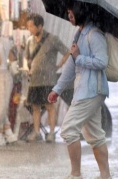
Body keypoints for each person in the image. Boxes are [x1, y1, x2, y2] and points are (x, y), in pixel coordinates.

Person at [47, 2, 111, 179]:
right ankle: (105, 175)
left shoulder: (94, 35)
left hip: (92, 91)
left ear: (80, 12)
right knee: (95, 135)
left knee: (68, 130)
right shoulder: (79, 34)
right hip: (84, 91)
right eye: (67, 12)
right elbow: (70, 65)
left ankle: (75, 174)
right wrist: (57, 89)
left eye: (71, 12)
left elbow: (102, 62)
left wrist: (79, 57)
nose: (69, 15)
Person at [24, 13, 69, 143]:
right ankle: (37, 132)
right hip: (34, 80)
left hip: (49, 79)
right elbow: (27, 57)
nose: (30, 29)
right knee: (35, 106)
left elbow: (67, 52)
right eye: (28, 27)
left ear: (40, 27)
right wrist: (28, 68)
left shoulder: (52, 39)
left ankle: (51, 133)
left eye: (31, 26)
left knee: (49, 106)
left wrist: (59, 65)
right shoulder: (29, 41)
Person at [0, 20, 17, 146]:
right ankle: (8, 133)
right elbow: (12, 57)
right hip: (6, 75)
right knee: (1, 105)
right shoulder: (4, 40)